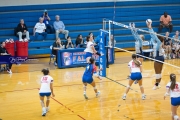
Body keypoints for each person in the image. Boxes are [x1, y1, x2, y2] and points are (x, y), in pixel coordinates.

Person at [147, 21, 165, 90]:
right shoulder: (159, 43)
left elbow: (153, 35)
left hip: (158, 58)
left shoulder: (158, 43)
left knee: (157, 73)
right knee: (159, 72)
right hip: (161, 58)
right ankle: (158, 84)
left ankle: (156, 85)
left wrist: (150, 27)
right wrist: (149, 27)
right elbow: (152, 35)